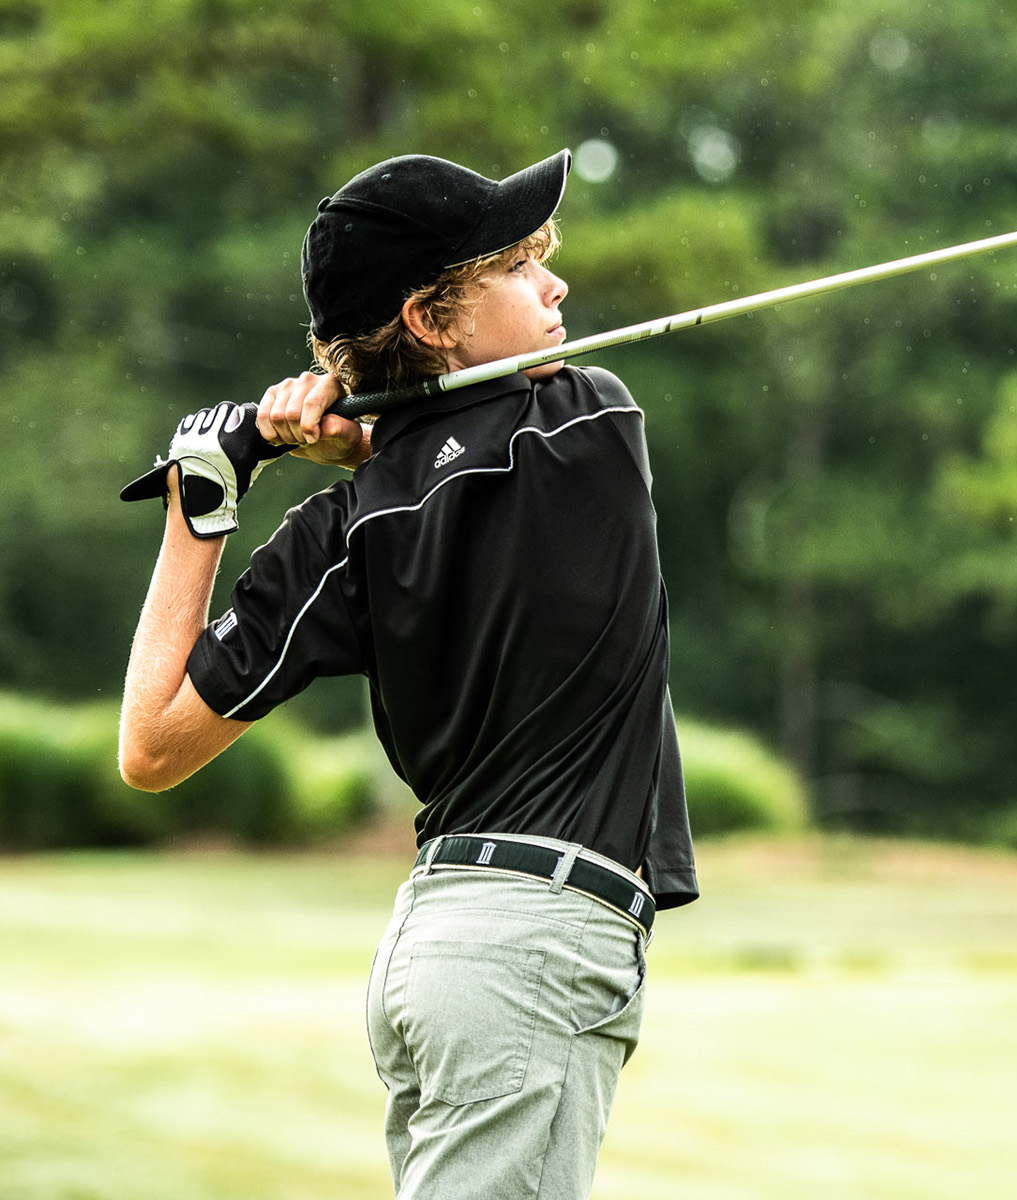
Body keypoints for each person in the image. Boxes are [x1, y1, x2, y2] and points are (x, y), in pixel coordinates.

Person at [117, 149, 697, 1200]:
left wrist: (204, 499)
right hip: (530, 949)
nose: (556, 286)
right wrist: (372, 438)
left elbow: (151, 742)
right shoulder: (586, 418)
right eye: (517, 266)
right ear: (432, 318)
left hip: (438, 951)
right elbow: (459, 461)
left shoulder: (344, 528)